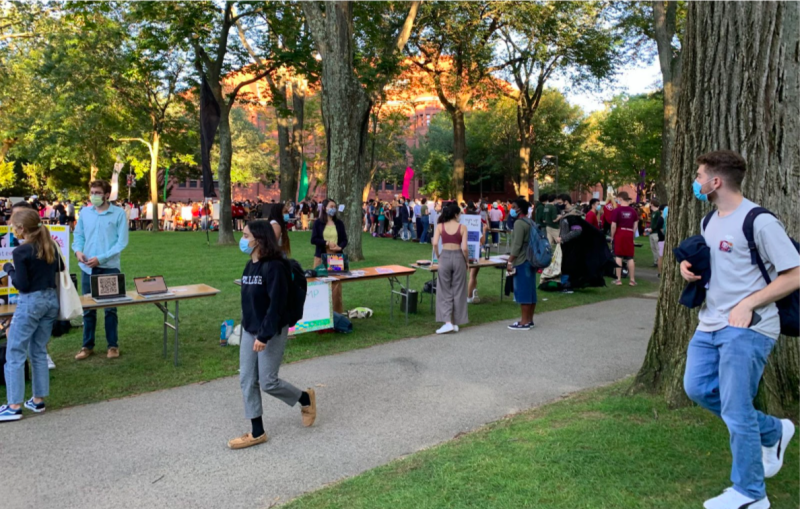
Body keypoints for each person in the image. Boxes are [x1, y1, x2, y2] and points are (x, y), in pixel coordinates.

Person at [680, 150, 799, 509]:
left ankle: (750, 494)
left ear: (716, 181)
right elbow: (720, 266)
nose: (696, 182)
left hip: (751, 327)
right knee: (697, 387)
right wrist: (689, 268)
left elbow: (794, 274)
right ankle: (774, 431)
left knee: (735, 407)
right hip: (710, 323)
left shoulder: (759, 221)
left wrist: (748, 304)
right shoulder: (708, 221)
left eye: (700, 175)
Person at [228, 220, 317, 449]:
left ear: (259, 239)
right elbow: (249, 301)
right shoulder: (250, 266)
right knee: (247, 379)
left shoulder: (275, 267)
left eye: (246, 236)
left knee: (268, 382)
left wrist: (264, 336)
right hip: (250, 330)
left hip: (271, 331)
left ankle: (305, 399)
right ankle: (257, 432)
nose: (243, 239)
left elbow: (276, 306)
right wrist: (247, 328)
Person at [0, 208, 64, 421]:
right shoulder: (50, 245)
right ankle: (38, 400)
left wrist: (9, 269)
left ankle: (14, 405)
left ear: (20, 229)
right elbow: (59, 269)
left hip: (31, 302)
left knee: (15, 352)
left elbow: (23, 285)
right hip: (50, 301)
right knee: (37, 351)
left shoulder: (21, 252)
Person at [72, 180, 129, 360]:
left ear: (106, 195)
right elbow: (78, 235)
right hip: (87, 268)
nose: (94, 196)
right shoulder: (85, 213)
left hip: (109, 267)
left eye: (97, 193)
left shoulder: (119, 214)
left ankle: (112, 346)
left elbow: (122, 242)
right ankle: (87, 346)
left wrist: (101, 258)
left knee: (110, 309)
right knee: (88, 309)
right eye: (92, 192)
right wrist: (78, 251)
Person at [432, 202, 468, 334]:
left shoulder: (440, 226)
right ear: (455, 214)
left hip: (445, 256)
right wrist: (467, 260)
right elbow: (465, 248)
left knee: (444, 289)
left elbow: (435, 243)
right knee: (459, 290)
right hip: (458, 257)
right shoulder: (462, 227)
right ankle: (456, 322)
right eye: (459, 213)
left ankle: (447, 322)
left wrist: (438, 255)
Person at [310, 198, 347, 313]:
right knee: (319, 284)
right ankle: (319, 313)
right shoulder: (318, 223)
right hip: (321, 256)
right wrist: (326, 243)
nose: (333, 209)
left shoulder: (339, 223)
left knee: (336, 287)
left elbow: (344, 240)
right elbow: (314, 239)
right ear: (325, 208)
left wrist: (339, 247)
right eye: (331, 206)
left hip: (336, 257)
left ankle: (336, 313)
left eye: (334, 207)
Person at [506, 198, 536, 330]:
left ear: (519, 209)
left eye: (513, 207)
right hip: (531, 259)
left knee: (523, 291)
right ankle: (529, 320)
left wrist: (510, 261)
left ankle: (524, 322)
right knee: (531, 292)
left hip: (522, 260)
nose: (511, 209)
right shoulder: (530, 222)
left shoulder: (519, 223)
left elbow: (517, 245)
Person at [610, 191, 637, 286]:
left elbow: (613, 225)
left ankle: (618, 279)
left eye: (617, 199)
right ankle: (632, 280)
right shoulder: (633, 211)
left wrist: (612, 236)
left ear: (620, 199)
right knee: (630, 257)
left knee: (618, 256)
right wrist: (632, 234)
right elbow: (636, 224)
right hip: (629, 232)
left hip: (620, 232)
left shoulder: (617, 210)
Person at [466, 203, 488, 304]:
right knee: (473, 276)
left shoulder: (463, 227)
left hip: (466, 253)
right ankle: (469, 296)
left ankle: (472, 292)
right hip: (475, 254)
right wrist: (484, 231)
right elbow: (482, 241)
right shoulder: (475, 228)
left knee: (471, 275)